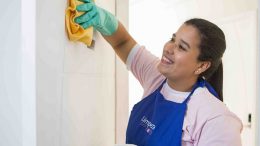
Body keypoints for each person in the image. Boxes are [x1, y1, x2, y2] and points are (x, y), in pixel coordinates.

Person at [74, 0, 243, 145]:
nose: (169, 48)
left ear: (202, 66)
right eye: (172, 39)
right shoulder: (156, 75)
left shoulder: (217, 120)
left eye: (182, 47)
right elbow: (123, 43)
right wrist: (102, 19)